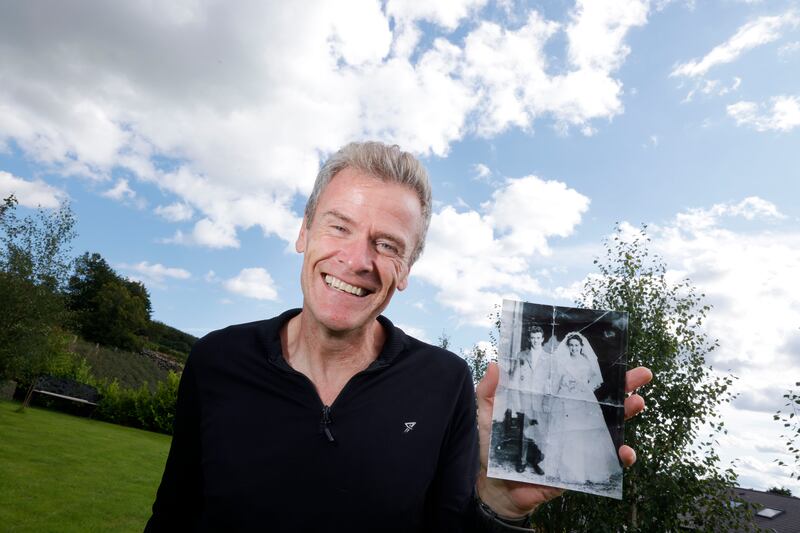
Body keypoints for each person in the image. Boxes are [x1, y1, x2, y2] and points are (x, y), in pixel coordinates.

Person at [145, 142, 652, 532]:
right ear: (304, 232)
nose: (357, 260)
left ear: (406, 268)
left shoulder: (444, 383)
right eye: (339, 227)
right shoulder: (218, 360)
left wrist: (498, 506)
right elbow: (171, 519)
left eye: (387, 245)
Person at [544, 332, 621, 489]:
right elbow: (558, 380)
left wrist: (584, 387)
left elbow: (595, 379)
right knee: (567, 431)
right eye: (571, 345)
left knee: (584, 433)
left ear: (581, 347)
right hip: (566, 398)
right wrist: (565, 388)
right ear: (568, 347)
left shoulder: (587, 362)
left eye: (576, 345)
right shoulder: (563, 362)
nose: (574, 348)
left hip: (583, 398)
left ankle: (588, 471)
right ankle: (567, 471)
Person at [504, 325, 550, 475]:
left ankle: (538, 461)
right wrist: (516, 402)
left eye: (538, 338)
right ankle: (522, 461)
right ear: (529, 339)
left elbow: (550, 383)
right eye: (533, 338)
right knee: (524, 432)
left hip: (540, 401)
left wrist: (547, 402)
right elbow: (515, 379)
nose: (535, 340)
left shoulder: (548, 358)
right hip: (525, 399)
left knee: (541, 433)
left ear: (542, 339)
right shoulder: (522, 355)